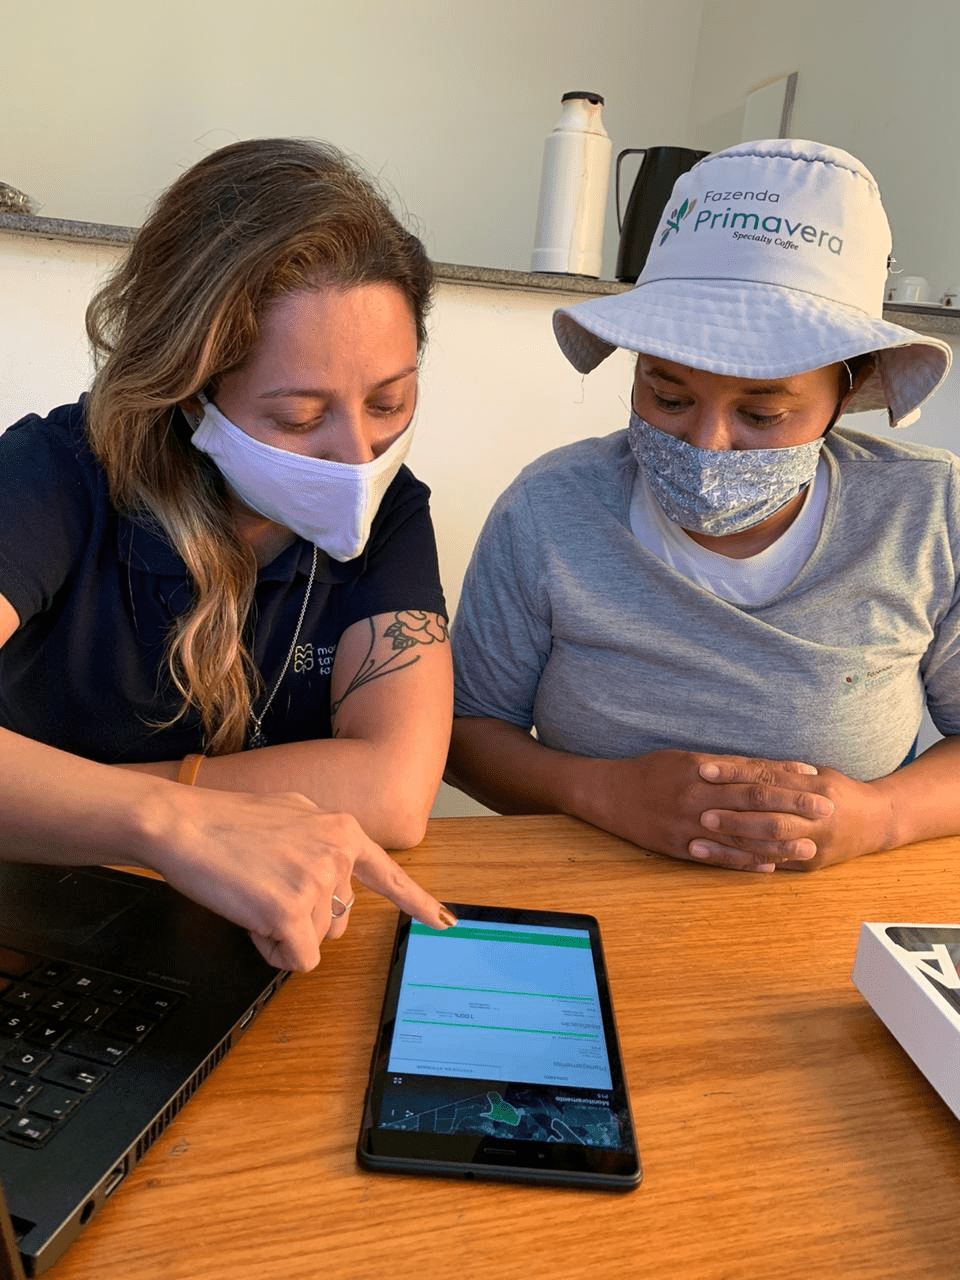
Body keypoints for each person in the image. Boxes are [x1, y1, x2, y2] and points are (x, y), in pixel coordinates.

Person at [0, 137, 458, 969]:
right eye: (296, 417)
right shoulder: (55, 475)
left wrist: (78, 793)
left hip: (240, 945)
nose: (357, 455)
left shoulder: (392, 515)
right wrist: (174, 821)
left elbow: (394, 792)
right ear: (188, 388)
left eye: (389, 401)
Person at [447, 138, 958, 874]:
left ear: (846, 392)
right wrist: (604, 793)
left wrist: (882, 818)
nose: (708, 443)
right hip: (592, 901)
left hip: (836, 923)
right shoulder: (550, 508)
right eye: (669, 395)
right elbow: (467, 730)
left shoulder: (927, 513)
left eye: (761, 413)